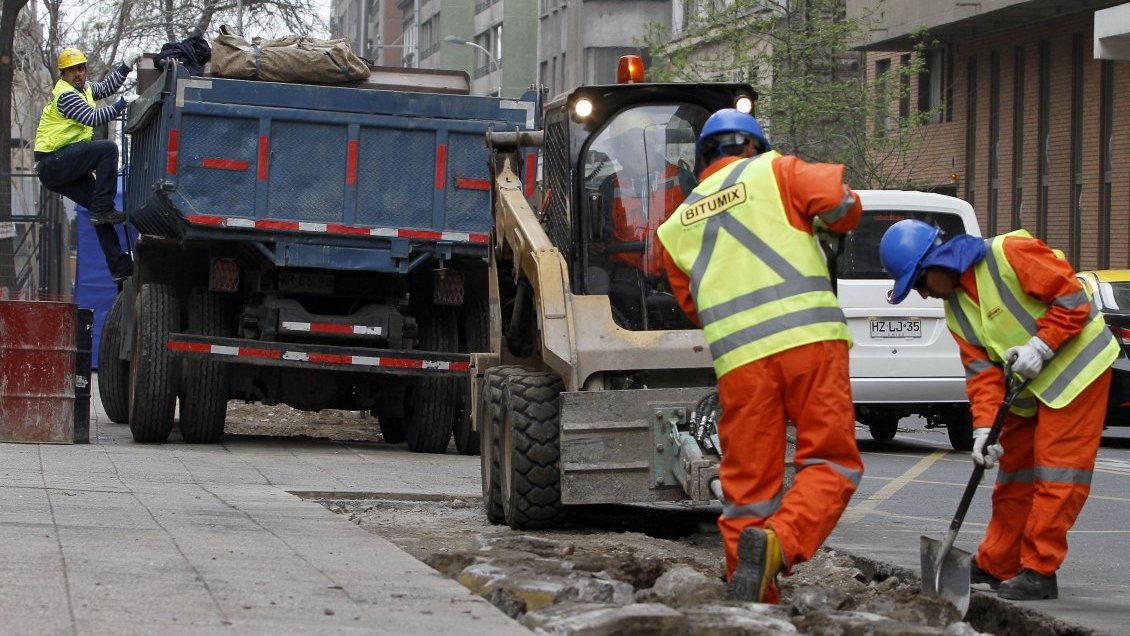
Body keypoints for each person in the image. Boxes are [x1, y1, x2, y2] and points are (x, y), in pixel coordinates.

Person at [654, 108, 864, 603]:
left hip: (742, 365)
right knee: (831, 462)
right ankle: (779, 544)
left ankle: (751, 603)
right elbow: (843, 204)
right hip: (810, 345)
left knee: (748, 490)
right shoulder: (778, 170)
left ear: (703, 159)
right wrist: (827, 227)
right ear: (752, 146)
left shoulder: (674, 227)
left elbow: (695, 305)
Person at [879, 219, 1117, 601]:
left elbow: (1074, 299)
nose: (923, 295)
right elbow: (982, 374)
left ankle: (1040, 571)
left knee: (1056, 475)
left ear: (937, 262)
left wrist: (1041, 345)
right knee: (1014, 476)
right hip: (1026, 390)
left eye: (920, 284)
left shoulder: (1009, 253)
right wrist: (983, 430)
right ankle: (999, 562)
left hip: (1077, 376)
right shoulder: (956, 309)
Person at [34, 47, 141, 285]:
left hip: (63, 163)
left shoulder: (85, 89)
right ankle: (103, 208)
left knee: (98, 214)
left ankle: (120, 269)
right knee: (108, 149)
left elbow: (105, 87)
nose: (78, 74)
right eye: (72, 71)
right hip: (52, 162)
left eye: (81, 69)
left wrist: (125, 65)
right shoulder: (66, 95)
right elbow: (93, 118)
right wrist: (122, 103)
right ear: (63, 74)